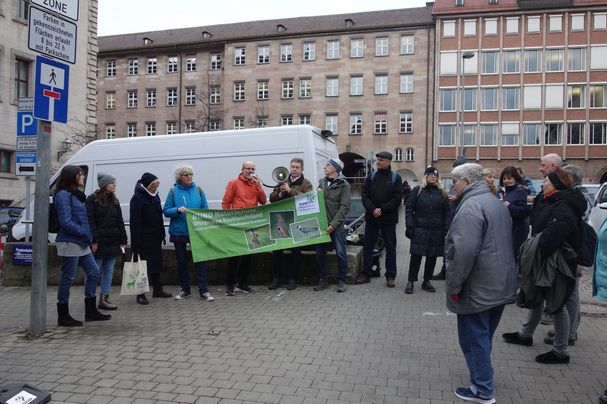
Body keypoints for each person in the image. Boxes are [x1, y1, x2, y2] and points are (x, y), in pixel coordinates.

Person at [445, 163, 517, 404]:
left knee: (473, 339)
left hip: (477, 285)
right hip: (499, 282)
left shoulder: (470, 207)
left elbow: (463, 253)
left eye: (454, 181)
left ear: (466, 180)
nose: (452, 185)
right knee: (483, 337)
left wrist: (454, 286)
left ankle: (482, 389)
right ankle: (483, 378)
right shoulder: (494, 202)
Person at [502, 167, 587, 364]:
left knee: (557, 303)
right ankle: (525, 334)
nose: (543, 183)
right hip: (546, 257)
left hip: (556, 260)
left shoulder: (564, 206)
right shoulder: (552, 200)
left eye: (546, 181)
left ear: (556, 185)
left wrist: (537, 250)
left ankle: (560, 351)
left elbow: (554, 236)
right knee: (538, 296)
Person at [54, 165, 111, 326]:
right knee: (68, 277)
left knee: (93, 272)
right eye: (80, 175)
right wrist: (84, 233)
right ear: (72, 177)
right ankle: (63, 315)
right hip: (70, 241)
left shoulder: (74, 195)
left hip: (81, 241)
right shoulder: (63, 195)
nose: (83, 177)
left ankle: (91, 310)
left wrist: (87, 236)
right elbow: (65, 221)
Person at [164, 164, 214, 301]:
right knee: (181, 262)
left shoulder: (198, 190)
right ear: (180, 177)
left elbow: (205, 208)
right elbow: (166, 210)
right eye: (186, 175)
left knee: (200, 260)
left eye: (191, 174)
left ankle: (204, 291)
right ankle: (185, 289)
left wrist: (200, 214)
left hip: (197, 231)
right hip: (179, 231)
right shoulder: (173, 191)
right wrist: (177, 210)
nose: (189, 177)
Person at [356, 151, 403, 287]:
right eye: (377, 160)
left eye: (381, 160)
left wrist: (381, 209)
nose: (378, 162)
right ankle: (366, 273)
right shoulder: (371, 177)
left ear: (388, 162)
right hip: (372, 219)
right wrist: (372, 209)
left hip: (388, 220)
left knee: (390, 248)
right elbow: (364, 195)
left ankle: (390, 276)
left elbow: (397, 198)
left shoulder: (395, 178)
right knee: (368, 247)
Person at [222, 160, 267, 296]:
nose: (250, 171)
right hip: (237, 225)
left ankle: (242, 283)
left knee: (248, 256)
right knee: (234, 256)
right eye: (248, 168)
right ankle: (230, 285)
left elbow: (263, 201)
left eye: (253, 168)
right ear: (242, 170)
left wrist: (259, 185)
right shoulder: (233, 183)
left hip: (251, 224)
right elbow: (226, 203)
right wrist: (228, 221)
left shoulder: (255, 184)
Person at [269, 158, 313, 290]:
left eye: (297, 167)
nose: (294, 169)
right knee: (277, 252)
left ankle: (293, 279)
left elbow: (308, 199)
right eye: (292, 167)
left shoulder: (306, 183)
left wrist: (290, 191)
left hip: (297, 221)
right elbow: (271, 198)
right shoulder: (283, 181)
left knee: (295, 252)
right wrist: (281, 192)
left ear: (302, 169)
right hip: (282, 219)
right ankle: (276, 279)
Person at [404, 166, 449, 294]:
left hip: (436, 231)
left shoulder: (442, 193)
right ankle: (411, 281)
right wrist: (410, 226)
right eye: (430, 175)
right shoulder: (417, 191)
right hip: (419, 229)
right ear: (425, 176)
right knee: (416, 256)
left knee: (432, 257)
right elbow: (409, 209)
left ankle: (426, 281)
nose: (433, 177)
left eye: (435, 175)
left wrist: (446, 230)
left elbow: (447, 213)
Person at [85, 172, 127, 311]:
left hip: (113, 240)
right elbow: (90, 221)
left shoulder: (115, 200)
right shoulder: (92, 200)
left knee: (109, 271)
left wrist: (123, 239)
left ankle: (104, 298)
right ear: (104, 185)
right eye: (112, 182)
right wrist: (94, 240)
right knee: (94, 272)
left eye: (115, 182)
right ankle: (89, 298)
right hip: (100, 241)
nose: (114, 185)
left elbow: (119, 221)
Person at [130, 172, 172, 304]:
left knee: (155, 265)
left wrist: (162, 234)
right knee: (142, 267)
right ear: (147, 185)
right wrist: (135, 242)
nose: (155, 188)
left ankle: (158, 289)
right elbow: (135, 222)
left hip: (155, 237)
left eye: (157, 185)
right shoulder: (138, 198)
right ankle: (140, 293)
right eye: (153, 185)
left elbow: (159, 217)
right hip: (143, 238)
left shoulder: (155, 196)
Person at [314, 159, 351, 292]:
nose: (325, 167)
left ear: (335, 168)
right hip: (322, 225)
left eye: (328, 165)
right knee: (319, 254)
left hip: (337, 226)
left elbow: (344, 207)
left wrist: (333, 225)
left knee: (340, 253)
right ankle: (323, 279)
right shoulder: (322, 182)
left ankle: (342, 280)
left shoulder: (344, 185)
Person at [497, 166, 531, 262]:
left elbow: (525, 211)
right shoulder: (500, 192)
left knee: (514, 257)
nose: (506, 181)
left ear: (515, 178)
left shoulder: (522, 191)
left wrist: (509, 206)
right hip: (502, 230)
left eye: (509, 178)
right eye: (504, 178)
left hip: (516, 231)